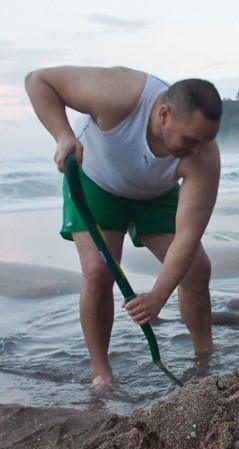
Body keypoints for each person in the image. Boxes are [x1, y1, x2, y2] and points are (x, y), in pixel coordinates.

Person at [25, 66, 222, 388]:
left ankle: (205, 355)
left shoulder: (203, 155)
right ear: (163, 114)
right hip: (96, 180)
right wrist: (63, 136)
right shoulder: (120, 94)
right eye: (191, 139)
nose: (198, 149)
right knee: (98, 271)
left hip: (155, 193)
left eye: (206, 140)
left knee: (197, 270)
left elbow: (187, 237)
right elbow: (38, 81)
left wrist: (158, 296)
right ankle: (100, 372)